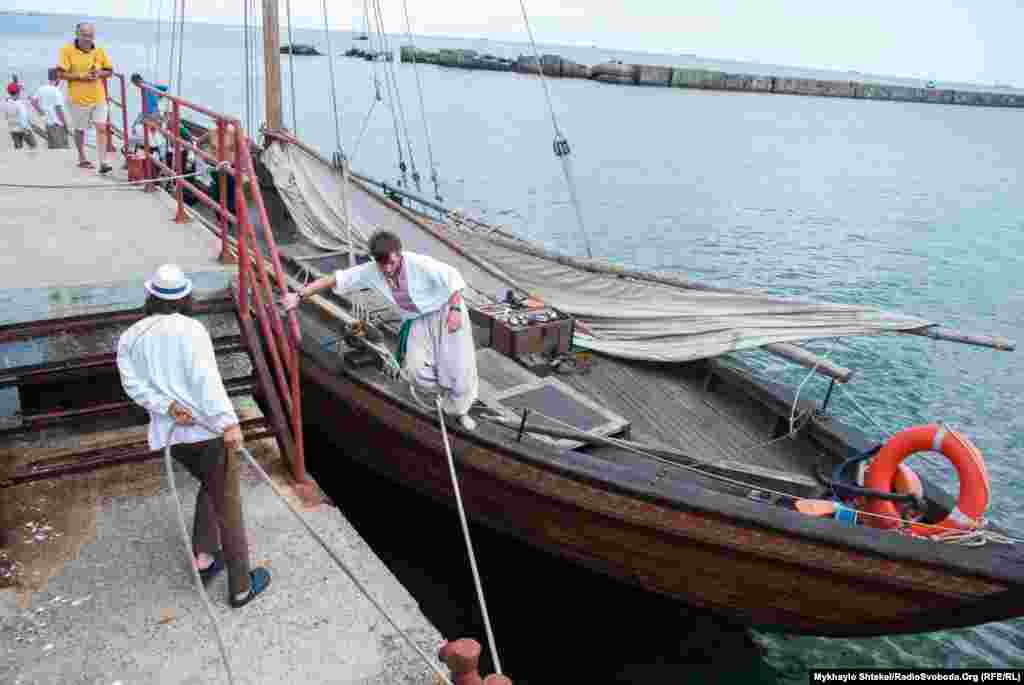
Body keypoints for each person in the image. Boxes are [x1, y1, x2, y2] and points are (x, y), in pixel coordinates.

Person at [116, 264, 271, 608]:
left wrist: (167, 407)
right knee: (228, 504)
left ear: (151, 296)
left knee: (209, 483)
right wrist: (229, 423)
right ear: (185, 297)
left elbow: (133, 385)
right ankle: (241, 586)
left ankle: (204, 558)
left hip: (172, 436)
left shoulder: (130, 337)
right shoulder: (192, 330)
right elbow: (206, 382)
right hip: (207, 431)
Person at [282, 231, 480, 430]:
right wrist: (299, 295)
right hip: (418, 320)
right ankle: (446, 393)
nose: (387, 269)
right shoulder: (372, 271)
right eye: (381, 264)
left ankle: (460, 411)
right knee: (414, 371)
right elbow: (334, 279)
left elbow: (453, 278)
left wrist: (454, 309)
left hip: (447, 309)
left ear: (399, 254)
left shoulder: (420, 264)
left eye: (391, 263)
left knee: (459, 369)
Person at [57, 22, 114, 173]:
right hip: (78, 99)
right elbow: (61, 74)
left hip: (98, 96)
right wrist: (81, 76)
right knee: (80, 130)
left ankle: (103, 162)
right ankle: (82, 158)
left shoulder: (99, 51)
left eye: (90, 35)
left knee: (102, 128)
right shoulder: (67, 50)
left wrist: (98, 73)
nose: (87, 38)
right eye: (84, 35)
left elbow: (109, 71)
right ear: (77, 34)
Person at [31, 68, 69, 149]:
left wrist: (41, 112)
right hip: (57, 124)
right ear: (58, 78)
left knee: (52, 146)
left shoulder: (41, 89)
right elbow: (58, 109)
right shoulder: (56, 91)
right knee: (61, 148)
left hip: (48, 123)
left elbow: (33, 101)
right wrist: (65, 124)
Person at [2, 83, 37, 150]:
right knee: (33, 145)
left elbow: (7, 97)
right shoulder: (19, 104)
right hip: (23, 128)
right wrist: (26, 129)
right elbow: (23, 117)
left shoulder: (5, 103)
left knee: (18, 148)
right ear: (18, 92)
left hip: (12, 128)